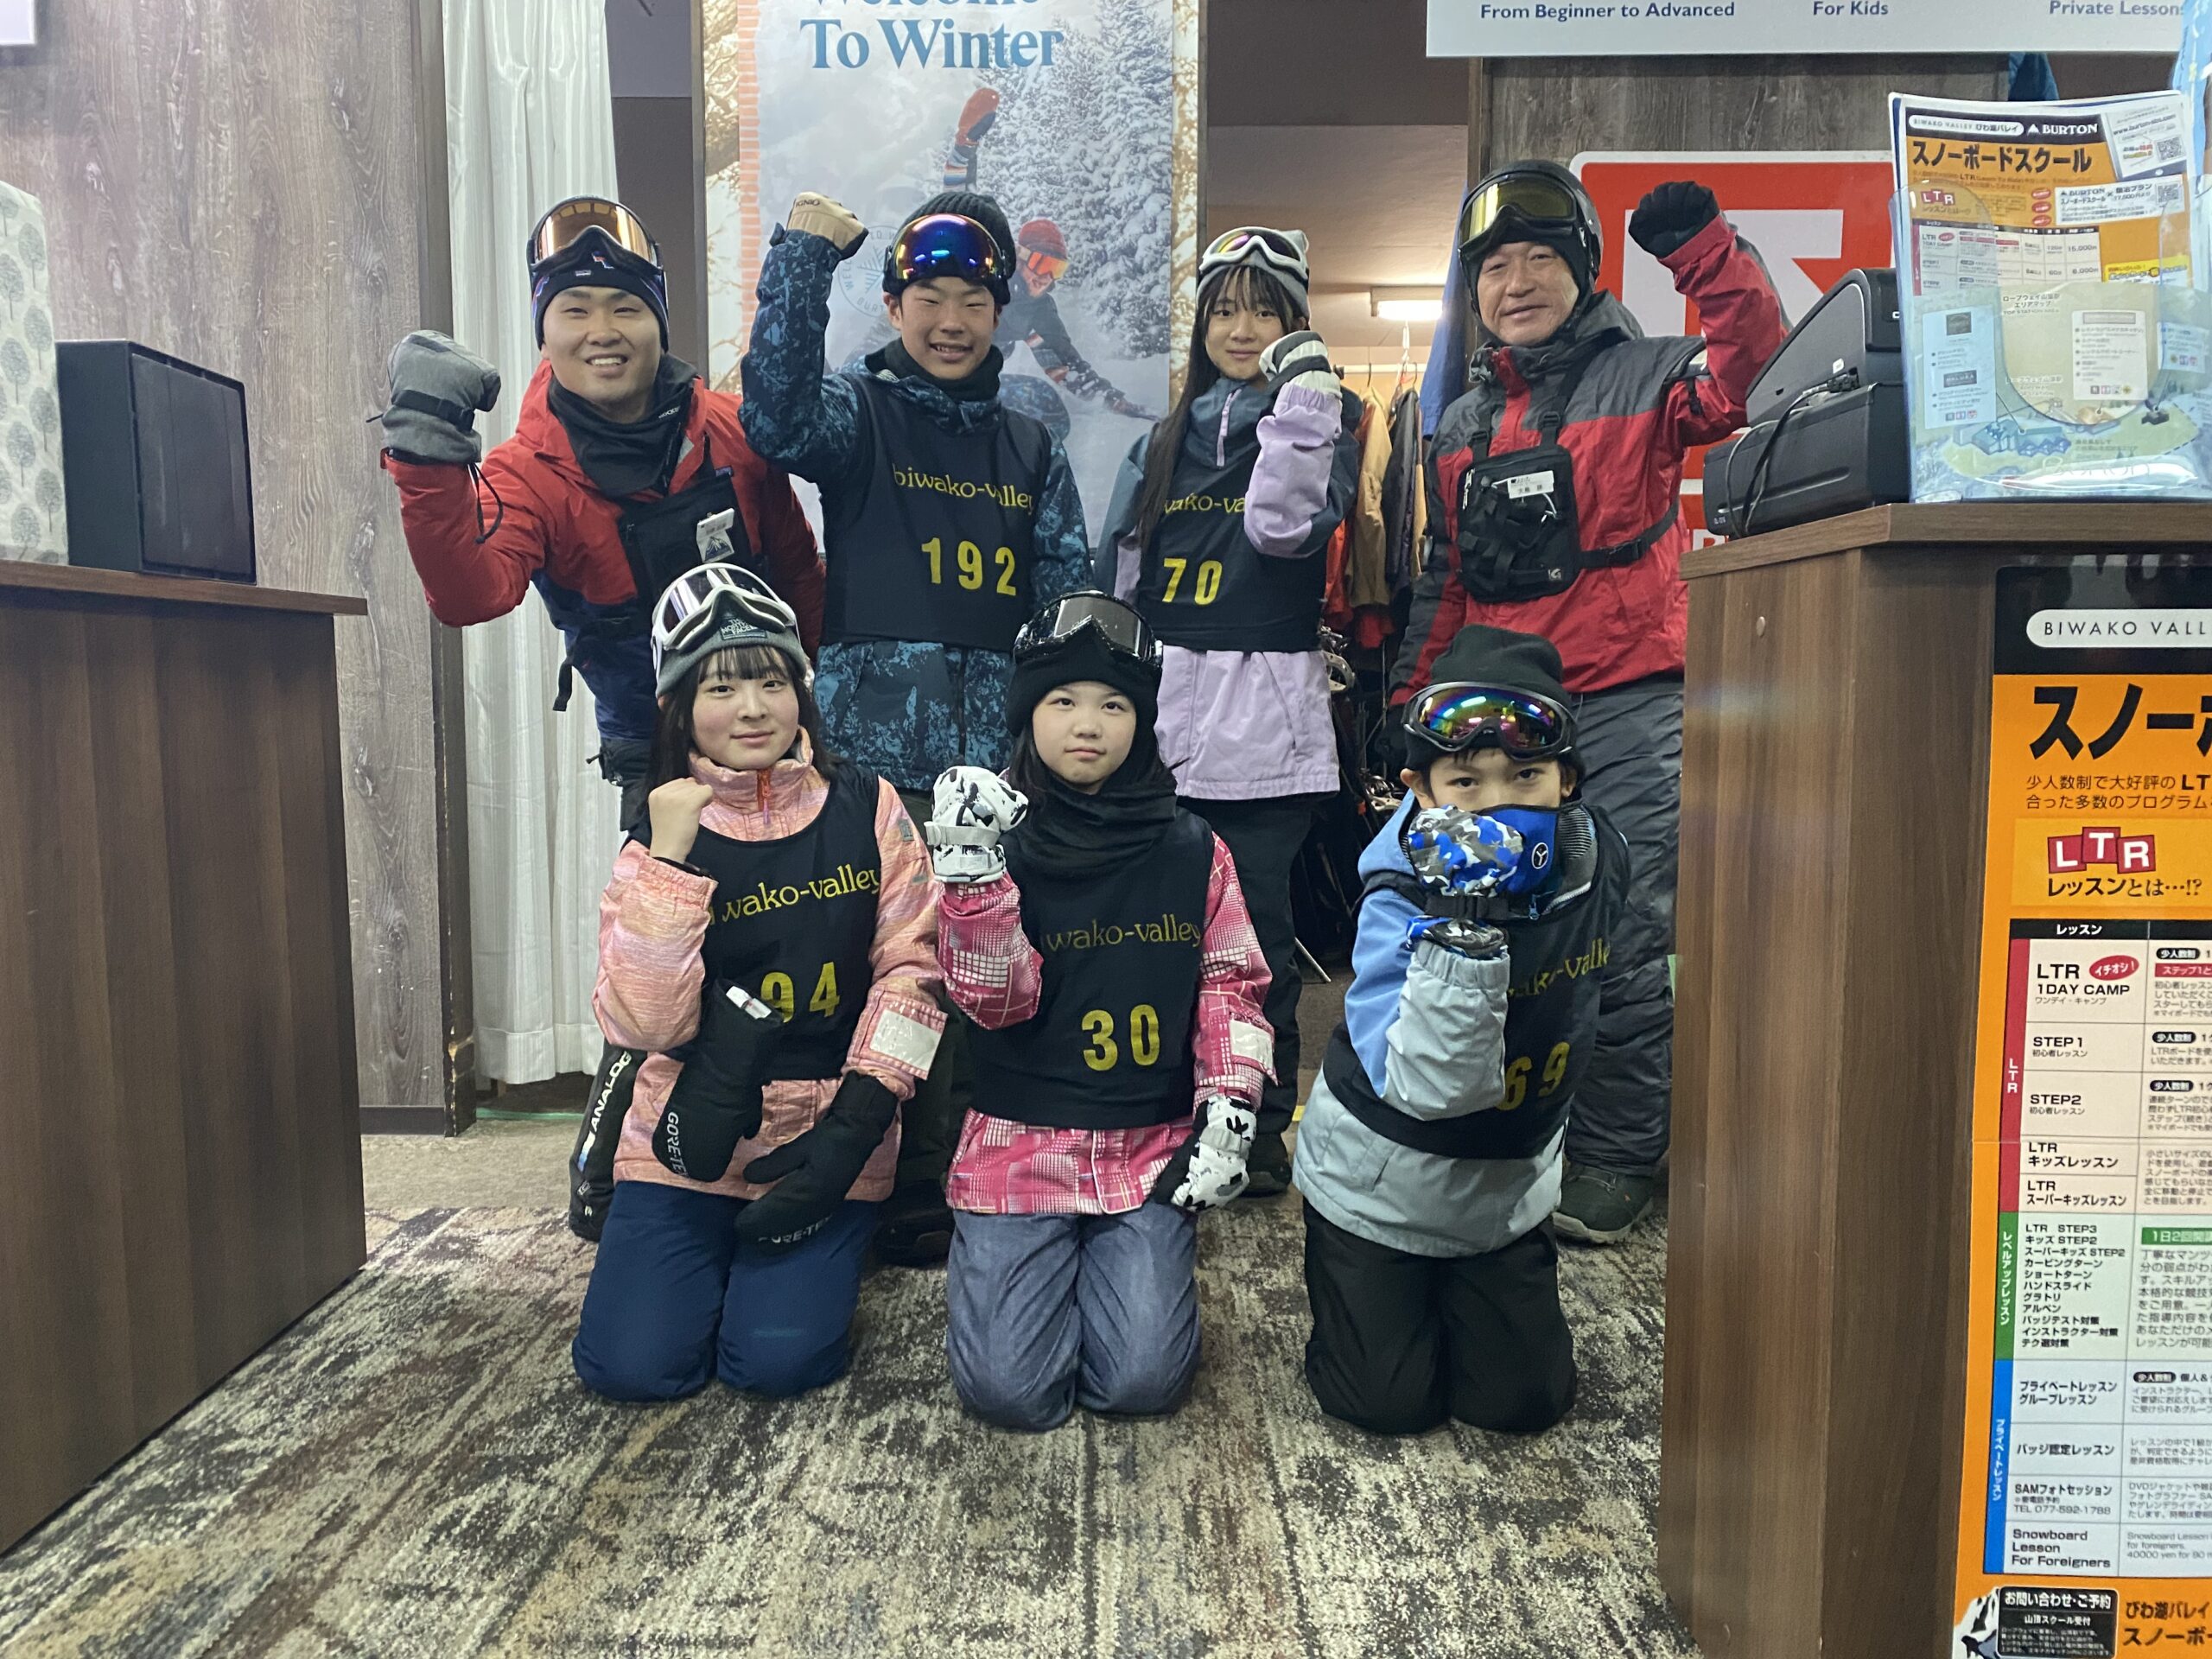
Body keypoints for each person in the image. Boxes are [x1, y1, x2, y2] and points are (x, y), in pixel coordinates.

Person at [1393, 162, 1783, 1243]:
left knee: (1624, 927)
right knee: (1496, 920)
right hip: (1500, 724)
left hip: (1624, 703)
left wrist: (1705, 254)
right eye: (1494, 267)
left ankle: (1615, 1154)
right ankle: (1522, 1125)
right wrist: (1411, 702)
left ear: (1582, 274)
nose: (1515, 283)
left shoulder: (1648, 377)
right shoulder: (1460, 422)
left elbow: (1753, 376)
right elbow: (1446, 580)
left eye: (1539, 259)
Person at [741, 187, 1092, 1266]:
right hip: (870, 764)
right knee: (869, 962)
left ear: (999, 313)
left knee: (971, 967)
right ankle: (848, 1164)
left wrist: (1053, 749)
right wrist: (803, 259)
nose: (950, 320)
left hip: (992, 771)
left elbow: (1064, 610)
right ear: (894, 307)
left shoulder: (1032, 446)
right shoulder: (855, 415)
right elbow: (773, 417)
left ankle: (939, 1175)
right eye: (927, 298)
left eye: (972, 301)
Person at [570, 563, 943, 1402]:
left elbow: (915, 970)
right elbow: (644, 1025)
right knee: (632, 1367)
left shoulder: (870, 805)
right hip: (685, 1136)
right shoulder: (658, 835)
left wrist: (856, 1123)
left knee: (776, 1363)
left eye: (772, 682)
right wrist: (669, 861)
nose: (751, 709)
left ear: (800, 692)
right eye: (721, 687)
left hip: (827, 1129)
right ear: (677, 705)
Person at [923, 593, 1272, 1431]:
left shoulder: (1196, 848)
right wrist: (974, 882)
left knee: (1142, 1383)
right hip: (1017, 1143)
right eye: (1062, 701)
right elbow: (995, 1006)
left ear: (1142, 720)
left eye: (1115, 705)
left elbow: (1232, 985)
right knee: (1009, 1393)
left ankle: (1119, 1269)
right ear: (1027, 713)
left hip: (1148, 1147)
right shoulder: (990, 838)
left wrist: (1229, 1107)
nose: (1088, 725)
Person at [378, 195, 823, 832]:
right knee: (663, 900)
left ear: (659, 324)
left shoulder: (734, 430)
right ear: (544, 334)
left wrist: (817, 702)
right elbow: (468, 597)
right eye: (575, 310)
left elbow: (800, 574)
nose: (603, 331)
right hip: (653, 757)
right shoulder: (525, 476)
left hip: (783, 738)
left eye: (626, 307)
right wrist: (426, 458)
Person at [1296, 625, 1626, 1436]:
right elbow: (1427, 1088)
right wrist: (1462, 926)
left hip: (1503, 1191)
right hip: (1381, 1187)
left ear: (1567, 780)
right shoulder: (1398, 893)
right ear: (1421, 788)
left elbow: (1614, 991)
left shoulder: (1596, 864)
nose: (1497, 802)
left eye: (1526, 776)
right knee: (1386, 1405)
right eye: (1466, 782)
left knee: (1524, 1402)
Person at [1097, 225, 1363, 1196]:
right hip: (1163, 726)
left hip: (1266, 729)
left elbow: (1281, 528)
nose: (1241, 328)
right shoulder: (1157, 440)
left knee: (1256, 951)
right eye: (1223, 310)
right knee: (1154, 937)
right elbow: (1121, 579)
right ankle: (1166, 1114)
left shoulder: (1327, 421)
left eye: (1264, 309)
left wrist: (1305, 398)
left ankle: (1255, 1130)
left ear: (1296, 320)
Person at [942, 88, 1160, 439]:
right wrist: (964, 146)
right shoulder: (989, 263)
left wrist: (1115, 401)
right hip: (922, 353)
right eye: (1042, 263)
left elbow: (1066, 365)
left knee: (1041, 405)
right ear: (1021, 255)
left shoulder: (1037, 311)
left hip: (966, 381)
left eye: (1056, 270)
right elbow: (958, 203)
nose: (1045, 277)